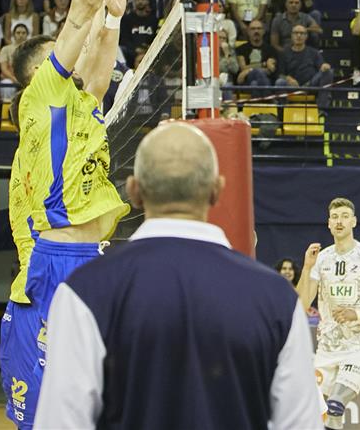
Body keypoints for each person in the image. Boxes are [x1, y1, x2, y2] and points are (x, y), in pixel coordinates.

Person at [36, 122, 322, 429]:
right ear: (216, 190)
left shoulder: (84, 292)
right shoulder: (277, 299)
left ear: (133, 190)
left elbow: (61, 422)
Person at [0, 0, 129, 430]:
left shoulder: (75, 103)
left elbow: (97, 61)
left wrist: (113, 19)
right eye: (57, 48)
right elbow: (82, 8)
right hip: (53, 262)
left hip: (88, 258)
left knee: (102, 406)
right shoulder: (42, 92)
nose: (68, 48)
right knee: (43, 413)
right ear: (40, 69)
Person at [295, 198, 360, 430]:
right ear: (329, 223)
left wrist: (358, 314)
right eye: (334, 217)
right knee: (318, 414)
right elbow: (301, 305)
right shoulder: (321, 259)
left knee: (335, 405)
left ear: (354, 221)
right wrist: (307, 267)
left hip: (359, 347)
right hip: (327, 348)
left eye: (344, 216)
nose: (339, 221)